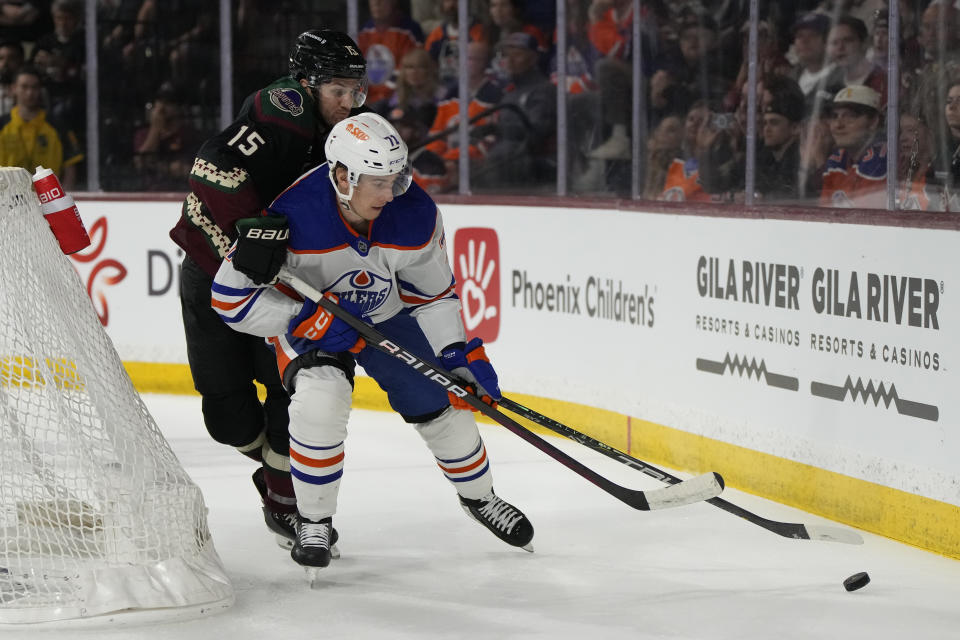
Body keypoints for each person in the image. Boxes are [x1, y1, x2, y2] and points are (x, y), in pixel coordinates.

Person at [210, 111, 534, 572]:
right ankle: (314, 521)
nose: (391, 193)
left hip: (386, 315)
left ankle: (481, 498)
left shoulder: (415, 212)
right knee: (321, 404)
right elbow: (228, 300)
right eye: (377, 182)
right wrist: (300, 318)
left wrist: (453, 353)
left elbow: (434, 294)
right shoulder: (287, 216)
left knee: (443, 398)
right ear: (341, 176)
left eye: (396, 179)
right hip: (313, 325)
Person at [168, 29, 368, 550]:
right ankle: (277, 473)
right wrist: (252, 230)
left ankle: (284, 499)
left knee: (294, 390)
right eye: (337, 91)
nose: (347, 104)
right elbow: (210, 167)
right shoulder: (283, 111)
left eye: (356, 92)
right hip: (212, 270)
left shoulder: (348, 133)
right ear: (306, 82)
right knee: (227, 416)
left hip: (279, 290)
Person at [0, 66, 82, 188]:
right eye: (24, 87)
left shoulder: (57, 125)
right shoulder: (2, 125)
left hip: (50, 199)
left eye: (34, 87)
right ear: (13, 89)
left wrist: (62, 200)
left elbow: (70, 166)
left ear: (40, 90)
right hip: (7, 200)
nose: (30, 93)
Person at [819, 84, 887, 208]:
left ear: (873, 122)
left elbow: (865, 220)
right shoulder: (838, 159)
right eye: (834, 116)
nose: (838, 125)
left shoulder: (881, 158)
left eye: (850, 116)